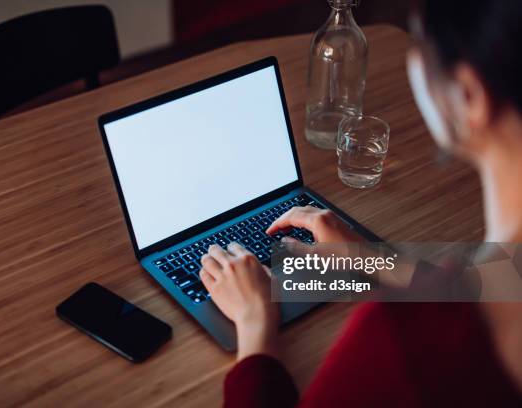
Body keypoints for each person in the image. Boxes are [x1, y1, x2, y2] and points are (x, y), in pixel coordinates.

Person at [198, 1, 522, 406]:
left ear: (470, 96)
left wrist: (254, 321)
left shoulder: (403, 341)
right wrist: (367, 258)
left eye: (418, 41)